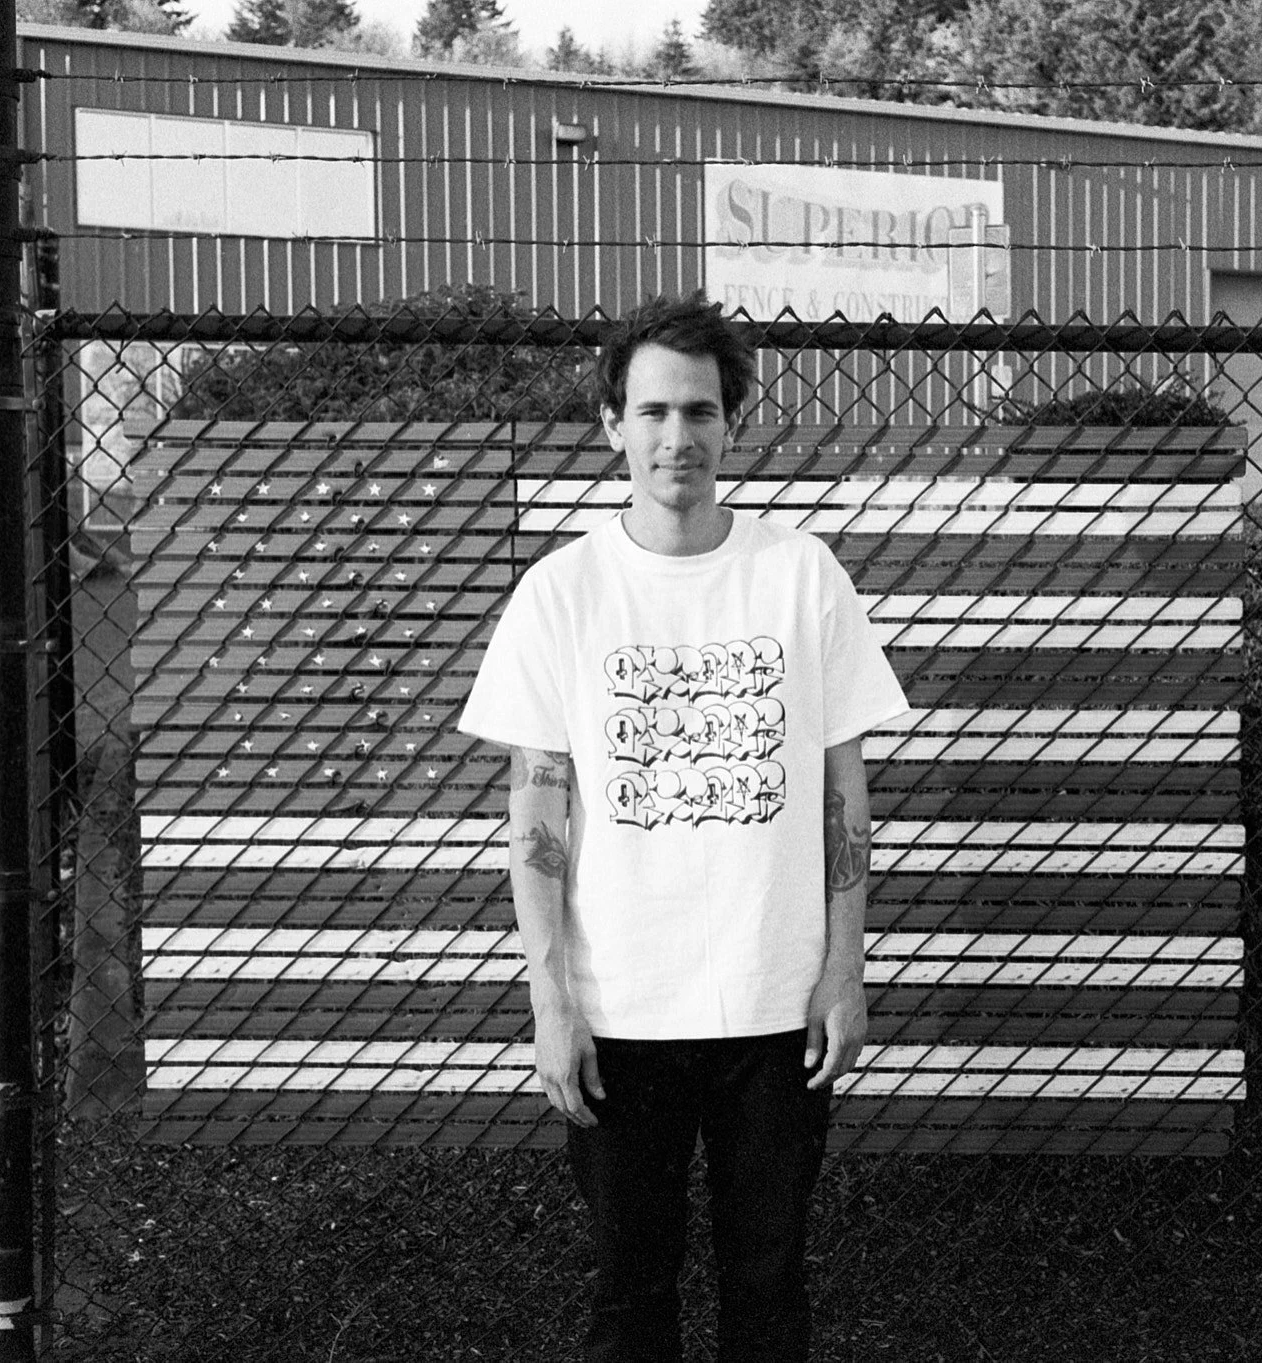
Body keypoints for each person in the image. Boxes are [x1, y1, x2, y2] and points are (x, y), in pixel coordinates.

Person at [456, 290, 910, 1361]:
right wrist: (551, 999)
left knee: (768, 1287)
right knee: (630, 1295)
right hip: (621, 1008)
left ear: (730, 423)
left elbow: (844, 792)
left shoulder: (800, 575)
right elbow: (536, 813)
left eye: (699, 411)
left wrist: (844, 971)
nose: (677, 436)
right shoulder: (562, 593)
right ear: (612, 424)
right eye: (653, 411)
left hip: (776, 1006)